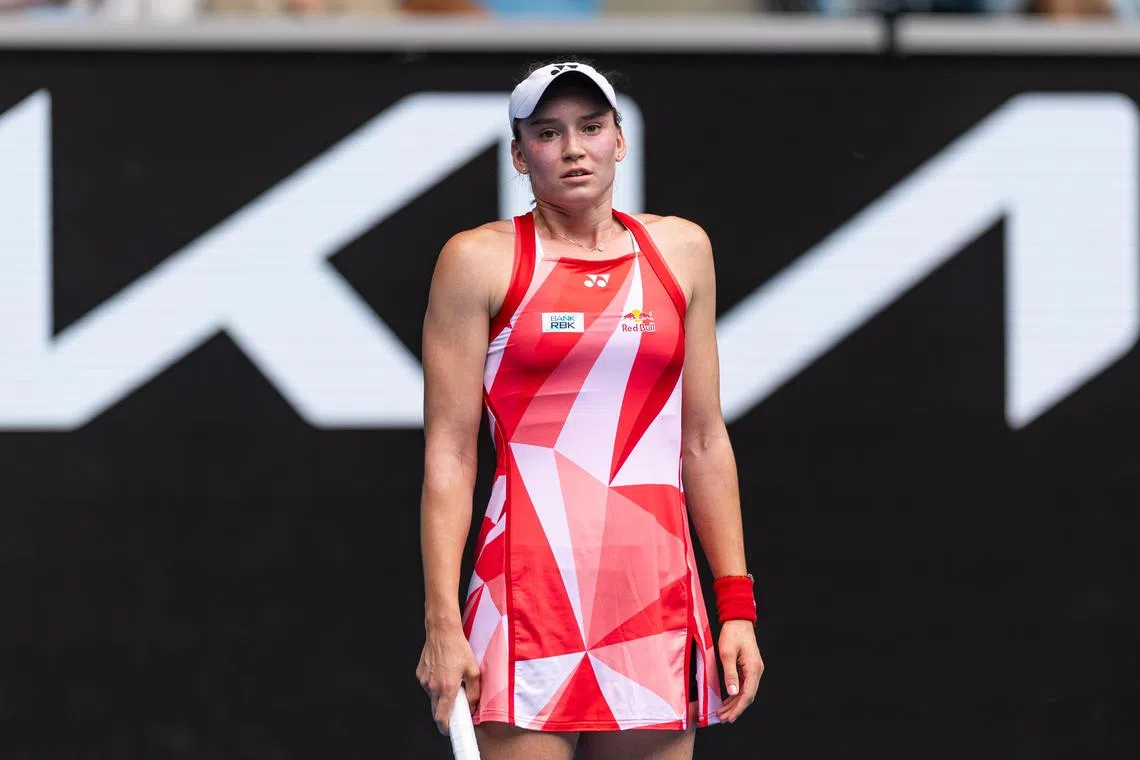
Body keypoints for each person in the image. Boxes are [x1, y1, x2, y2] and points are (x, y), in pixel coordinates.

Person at [417, 60, 763, 760]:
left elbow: (702, 439)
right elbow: (450, 454)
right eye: (548, 132)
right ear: (519, 154)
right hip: (524, 595)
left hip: (654, 594)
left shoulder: (681, 250)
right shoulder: (477, 261)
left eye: (590, 127)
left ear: (619, 140)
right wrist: (442, 622)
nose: (573, 148)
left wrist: (738, 609)